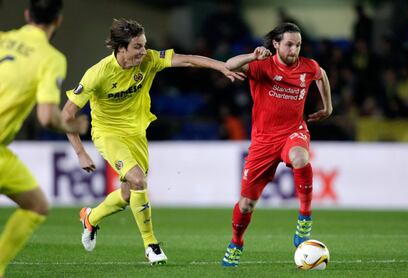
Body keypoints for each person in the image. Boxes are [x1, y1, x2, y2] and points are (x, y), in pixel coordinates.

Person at [61, 18, 244, 265]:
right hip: (108, 133)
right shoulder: (97, 74)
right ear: (121, 48)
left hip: (137, 134)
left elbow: (188, 58)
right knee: (138, 180)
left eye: (144, 45)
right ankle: (151, 245)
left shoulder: (148, 60)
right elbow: (67, 114)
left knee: (128, 194)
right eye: (137, 46)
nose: (143, 51)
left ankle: (90, 219)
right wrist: (81, 152)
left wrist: (220, 66)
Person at [221, 22, 332, 267]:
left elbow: (321, 75)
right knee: (246, 204)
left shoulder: (308, 66)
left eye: (298, 45)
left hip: (293, 132)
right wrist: (252, 55)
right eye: (290, 44)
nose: (295, 50)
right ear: (276, 44)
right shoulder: (262, 66)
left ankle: (305, 217)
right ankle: (236, 243)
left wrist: (328, 107)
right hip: (262, 142)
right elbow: (229, 65)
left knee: (301, 158)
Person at [0, 1, 89, 277]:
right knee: (37, 207)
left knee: (36, 204)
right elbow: (47, 116)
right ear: (58, 21)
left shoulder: (3, 39)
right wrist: (74, 124)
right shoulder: (51, 59)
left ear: (27, 15)